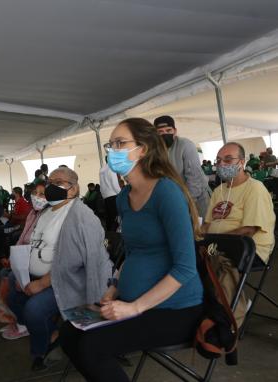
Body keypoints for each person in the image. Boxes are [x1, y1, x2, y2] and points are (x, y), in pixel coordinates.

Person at [61, 118, 204, 382]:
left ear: (143, 149)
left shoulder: (167, 193)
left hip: (175, 309)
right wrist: (114, 287)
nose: (112, 150)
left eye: (120, 143)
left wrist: (134, 307)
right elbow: (134, 252)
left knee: (93, 347)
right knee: (68, 334)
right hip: (131, 302)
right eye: (110, 144)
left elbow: (185, 267)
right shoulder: (124, 198)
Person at [8, 167, 112, 372]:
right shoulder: (47, 210)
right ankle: (54, 333)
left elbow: (80, 261)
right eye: (50, 182)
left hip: (66, 279)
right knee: (12, 291)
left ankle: (42, 347)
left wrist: (42, 283)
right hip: (37, 275)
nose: (51, 187)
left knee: (34, 310)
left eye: (59, 182)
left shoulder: (81, 216)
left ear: (73, 189)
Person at [202, 142, 275, 265]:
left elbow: (248, 231)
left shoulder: (255, 188)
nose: (222, 164)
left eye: (228, 159)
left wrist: (214, 242)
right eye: (219, 160)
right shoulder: (218, 191)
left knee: (198, 265)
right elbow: (207, 224)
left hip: (249, 249)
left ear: (241, 162)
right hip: (217, 246)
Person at [0, 181, 48, 340]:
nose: (37, 197)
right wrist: (13, 257)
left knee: (11, 279)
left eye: (42, 194)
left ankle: (23, 323)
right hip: (24, 256)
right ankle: (15, 318)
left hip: (37, 261)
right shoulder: (33, 213)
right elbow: (22, 237)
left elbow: (41, 245)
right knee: (5, 273)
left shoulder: (48, 215)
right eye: (35, 193)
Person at [154, 115, 210, 216]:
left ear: (175, 131)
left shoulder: (185, 145)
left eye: (168, 130)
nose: (165, 134)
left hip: (197, 197)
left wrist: (186, 203)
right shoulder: (154, 150)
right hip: (174, 199)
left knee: (201, 228)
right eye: (160, 132)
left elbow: (194, 179)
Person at [99, 156, 122, 231]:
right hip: (114, 195)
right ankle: (116, 237)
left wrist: (103, 195)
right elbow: (114, 182)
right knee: (116, 218)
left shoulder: (102, 170)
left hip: (106, 196)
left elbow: (101, 185)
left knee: (109, 218)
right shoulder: (112, 168)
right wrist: (120, 193)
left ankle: (110, 236)